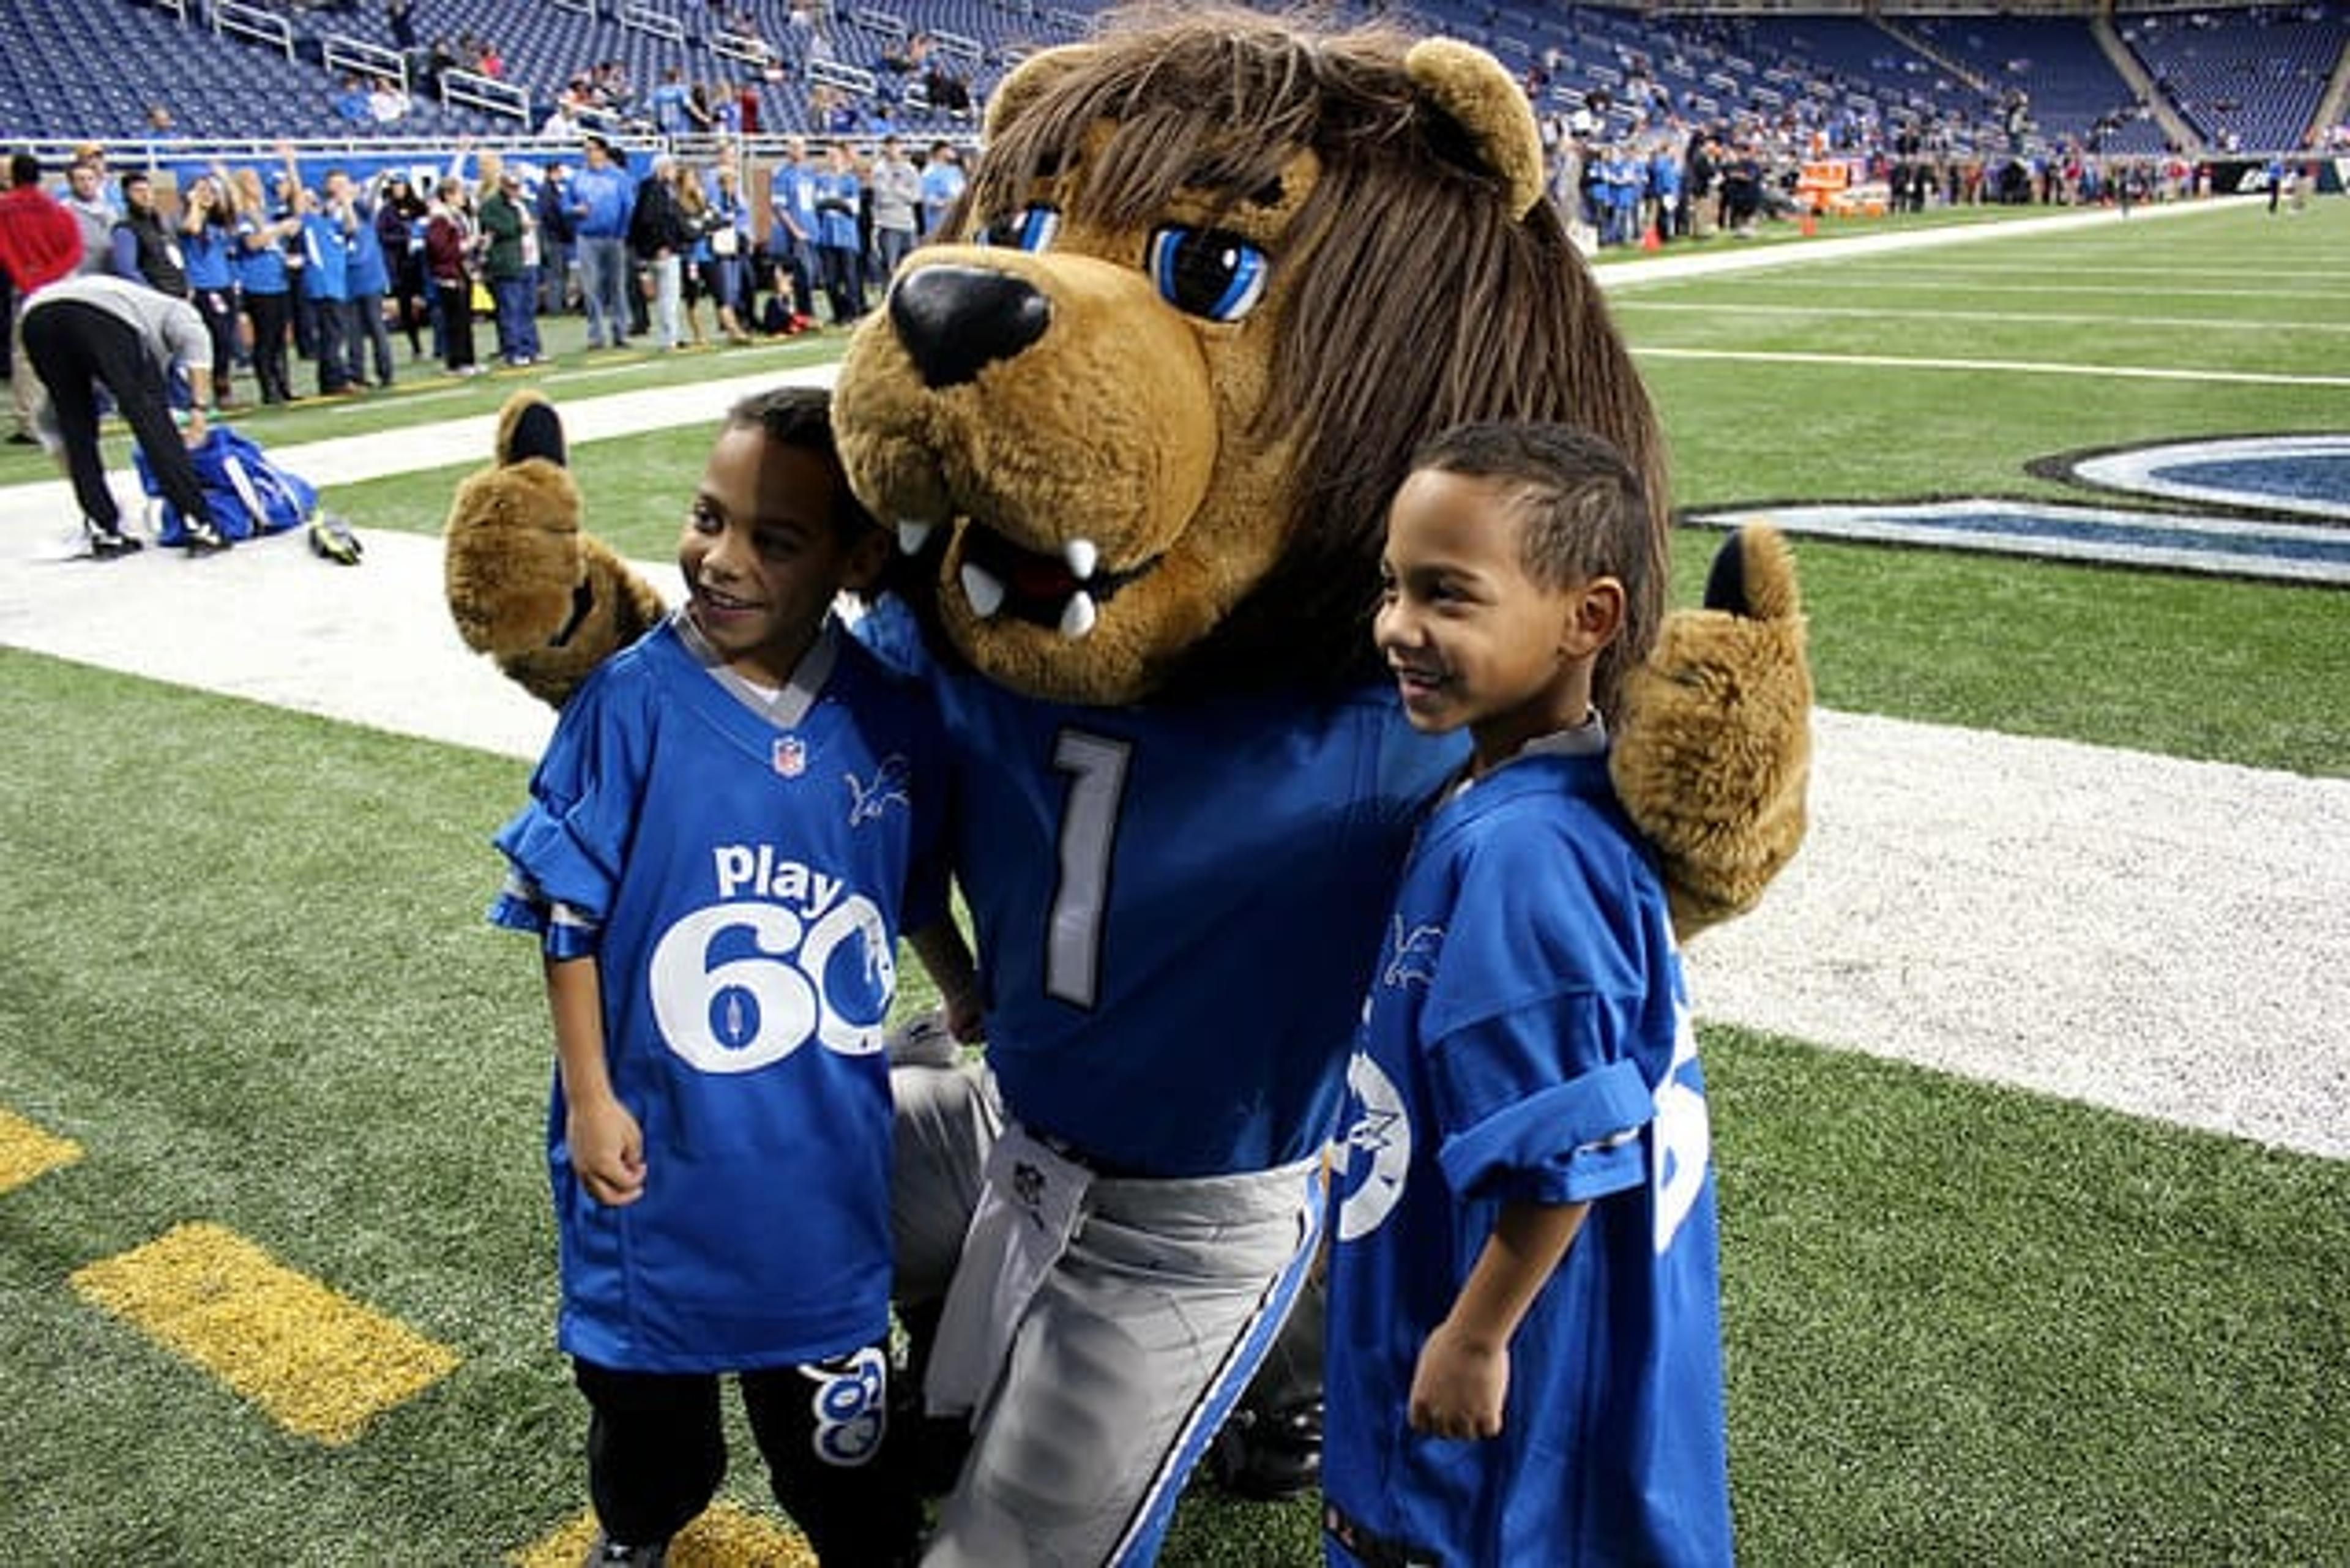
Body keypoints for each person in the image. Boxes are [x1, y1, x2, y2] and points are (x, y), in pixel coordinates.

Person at [488, 387, 963, 1568]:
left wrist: (962, 977)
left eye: (774, 537)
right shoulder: (631, 702)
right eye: (710, 517)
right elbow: (569, 911)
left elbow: (895, 881)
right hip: (656, 1168)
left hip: (820, 1178)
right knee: (659, 1454)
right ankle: (635, 1532)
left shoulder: (894, 717)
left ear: (856, 557)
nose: (721, 556)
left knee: (842, 1469)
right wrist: (592, 1098)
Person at [1321, 422, 1731, 1566]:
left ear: (1585, 619)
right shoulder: (1550, 798)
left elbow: (1577, 1139)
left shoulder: (1526, 853)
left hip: (1509, 1389)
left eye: (1448, 596)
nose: (1399, 626)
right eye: (1393, 587)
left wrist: (1474, 1334)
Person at [20, 271, 230, 556]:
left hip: (35, 318)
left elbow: (50, 425)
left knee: (75, 425)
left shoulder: (133, 302)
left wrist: (88, 491)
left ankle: (105, 532)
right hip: (98, 316)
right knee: (151, 421)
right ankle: (202, 526)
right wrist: (199, 413)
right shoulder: (176, 309)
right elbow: (198, 352)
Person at [0, 152, 84, 444]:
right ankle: (71, 413)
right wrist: (53, 277)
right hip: (60, 289)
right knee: (66, 353)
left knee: (25, 358)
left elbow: (6, 251)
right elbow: (74, 251)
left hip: (26, 292)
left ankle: (30, 423)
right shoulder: (58, 211)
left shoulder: (4, 210)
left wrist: (28, 280)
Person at [570, 135, 635, 351]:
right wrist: (574, 211)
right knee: (590, 288)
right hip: (587, 237)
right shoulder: (578, 178)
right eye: (585, 150)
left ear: (603, 152)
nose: (588, 154)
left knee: (617, 286)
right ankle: (595, 334)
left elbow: (628, 206)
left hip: (613, 237)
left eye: (591, 149)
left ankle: (621, 331)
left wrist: (622, 232)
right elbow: (565, 204)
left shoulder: (619, 177)